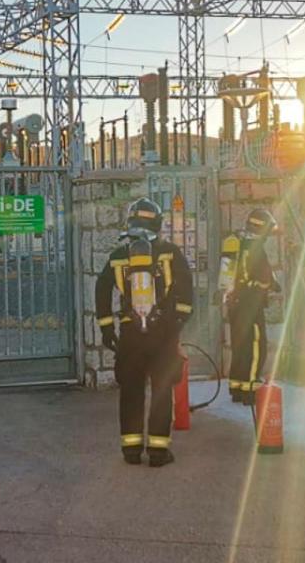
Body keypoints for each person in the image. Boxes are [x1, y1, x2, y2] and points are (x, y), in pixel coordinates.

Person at [95, 197, 194, 467]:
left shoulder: (118, 256)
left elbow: (102, 291)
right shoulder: (171, 252)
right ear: (158, 223)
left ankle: (131, 449)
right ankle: (159, 452)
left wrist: (107, 328)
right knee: (162, 390)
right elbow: (186, 291)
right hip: (163, 333)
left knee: (131, 390)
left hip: (130, 333)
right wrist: (178, 323)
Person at [227, 209, 281, 405]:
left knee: (239, 346)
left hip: (234, 304)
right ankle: (251, 389)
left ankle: (236, 388)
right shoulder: (255, 246)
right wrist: (272, 284)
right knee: (257, 345)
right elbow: (264, 276)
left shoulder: (236, 242)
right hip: (251, 304)